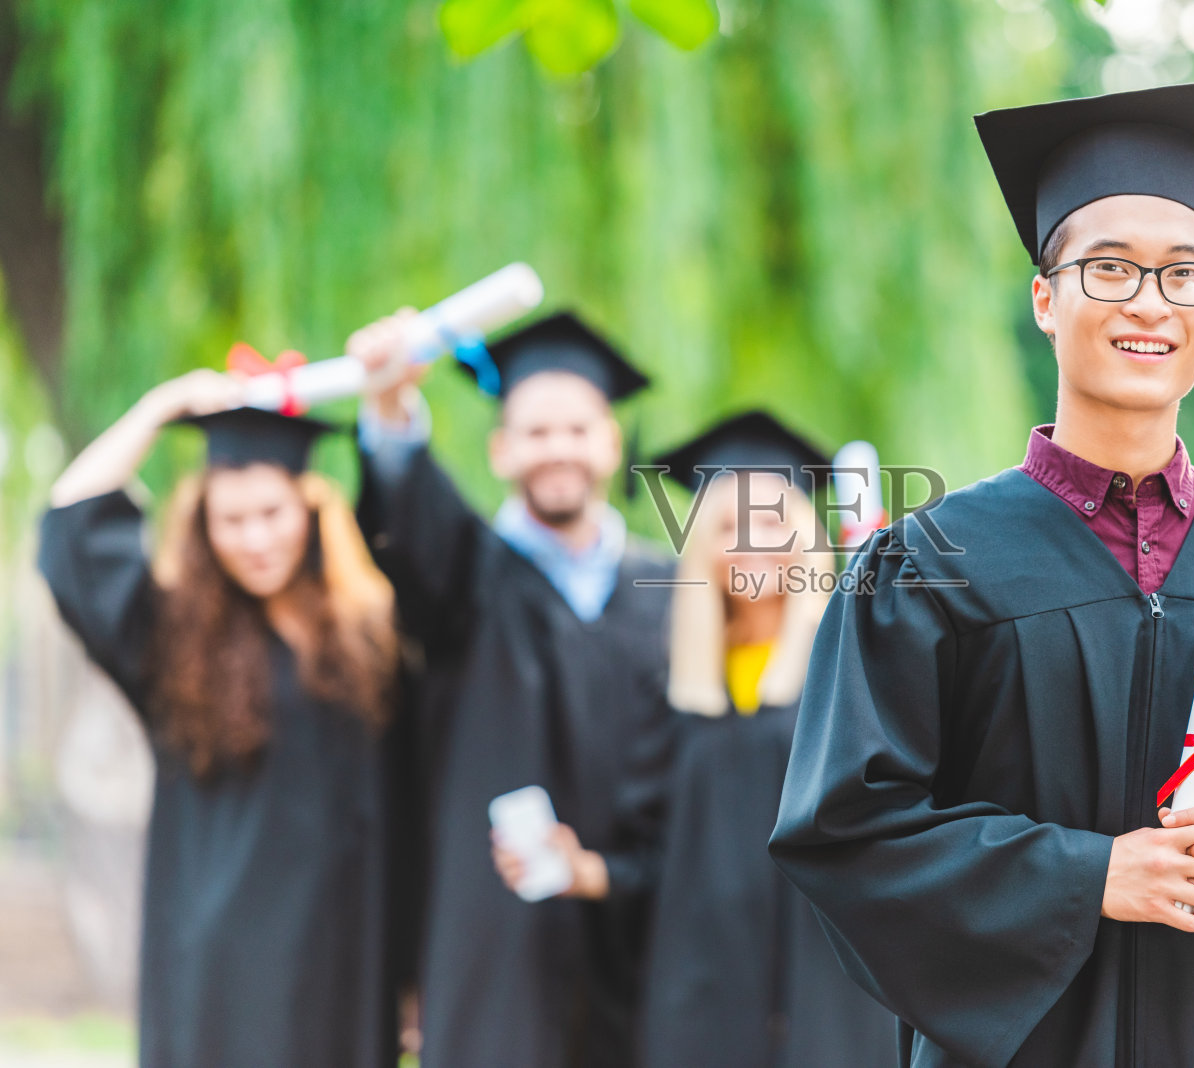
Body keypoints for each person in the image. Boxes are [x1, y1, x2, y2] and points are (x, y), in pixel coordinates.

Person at [769, 80, 1194, 1067]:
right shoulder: (926, 567)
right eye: (1111, 267)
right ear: (1046, 298)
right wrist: (1085, 877)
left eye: (1185, 273)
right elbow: (846, 830)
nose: (1150, 303)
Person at [497, 411, 899, 1068]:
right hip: (701, 1008)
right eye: (729, 526)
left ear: (806, 535)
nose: (752, 544)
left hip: (830, 1008)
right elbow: (658, 857)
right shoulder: (679, 692)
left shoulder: (856, 669)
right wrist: (583, 870)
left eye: (772, 522)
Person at [39, 373, 408, 1068]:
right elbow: (70, 521)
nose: (255, 538)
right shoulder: (175, 641)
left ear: (311, 508)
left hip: (346, 961)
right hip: (221, 973)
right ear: (203, 526)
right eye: (230, 520)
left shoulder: (367, 637)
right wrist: (160, 406)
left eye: (272, 512)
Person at [350, 308, 673, 1067]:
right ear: (500, 450)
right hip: (495, 949)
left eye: (576, 429)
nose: (557, 448)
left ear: (611, 442)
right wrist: (391, 401)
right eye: (535, 431)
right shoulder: (466, 576)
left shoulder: (670, 593)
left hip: (641, 943)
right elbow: (412, 521)